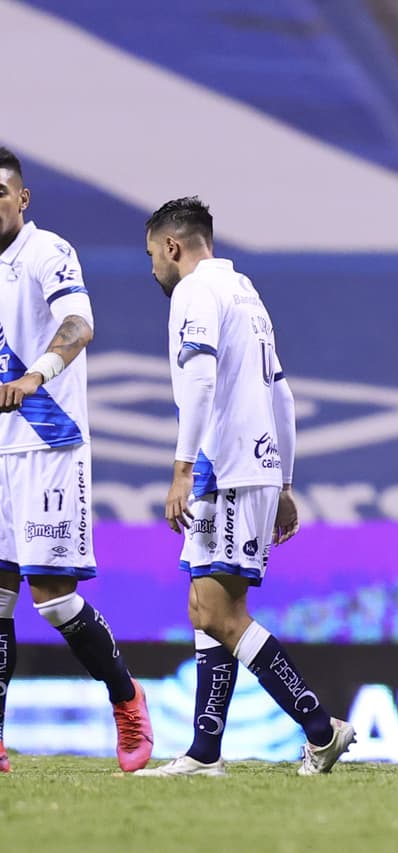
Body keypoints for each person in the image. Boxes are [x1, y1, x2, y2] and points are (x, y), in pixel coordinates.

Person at [135, 197, 354, 777]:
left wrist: (182, 469)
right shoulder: (244, 292)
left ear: (173, 246)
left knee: (219, 612)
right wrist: (284, 482)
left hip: (224, 468)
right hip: (253, 467)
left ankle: (320, 728)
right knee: (204, 608)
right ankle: (204, 752)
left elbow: (201, 380)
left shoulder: (195, 292)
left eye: (153, 254)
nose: (153, 267)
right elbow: (281, 393)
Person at [0, 147, 152, 774]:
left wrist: (36, 373)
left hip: (47, 443)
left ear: (22, 197)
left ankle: (127, 697)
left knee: (53, 599)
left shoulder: (47, 251)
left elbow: (78, 323)